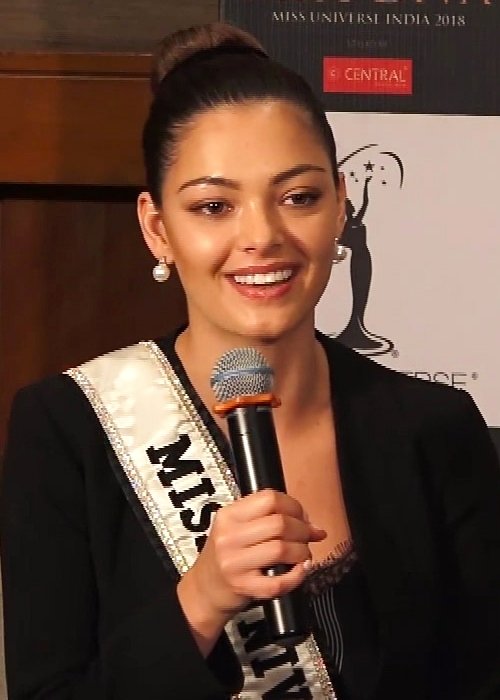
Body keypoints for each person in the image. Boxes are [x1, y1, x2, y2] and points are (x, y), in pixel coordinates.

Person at [2, 21, 500, 700]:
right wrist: (202, 602)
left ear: (340, 206)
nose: (262, 237)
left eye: (298, 197)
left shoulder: (433, 428)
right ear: (158, 229)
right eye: (214, 206)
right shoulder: (67, 428)